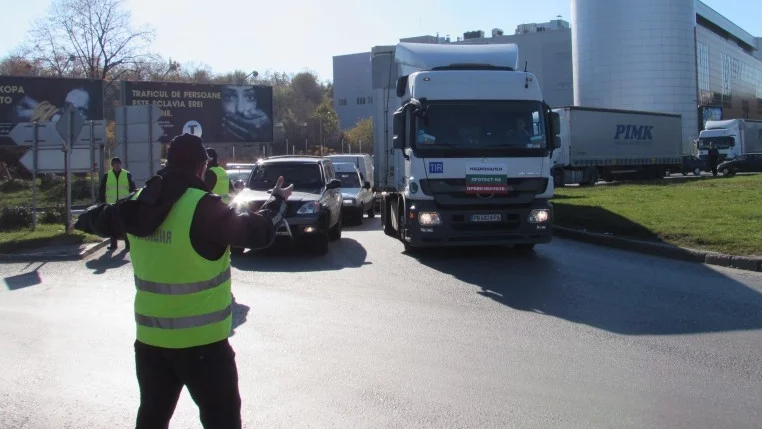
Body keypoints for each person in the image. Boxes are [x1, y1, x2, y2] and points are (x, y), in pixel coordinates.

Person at [96, 133, 291, 429]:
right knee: (222, 420)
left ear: (168, 164)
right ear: (202, 168)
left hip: (151, 343)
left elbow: (98, 219)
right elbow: (257, 233)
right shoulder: (202, 206)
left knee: (152, 416)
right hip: (203, 346)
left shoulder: (138, 203)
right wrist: (276, 200)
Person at [98, 157, 137, 250]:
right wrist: (102, 202)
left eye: (118, 163)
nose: (117, 165)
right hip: (111, 204)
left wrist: (132, 201)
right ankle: (113, 244)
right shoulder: (107, 175)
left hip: (124, 204)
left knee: (125, 224)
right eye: (115, 163)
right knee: (112, 225)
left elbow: (133, 188)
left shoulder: (127, 174)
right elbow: (102, 190)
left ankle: (128, 244)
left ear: (121, 164)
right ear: (112, 165)